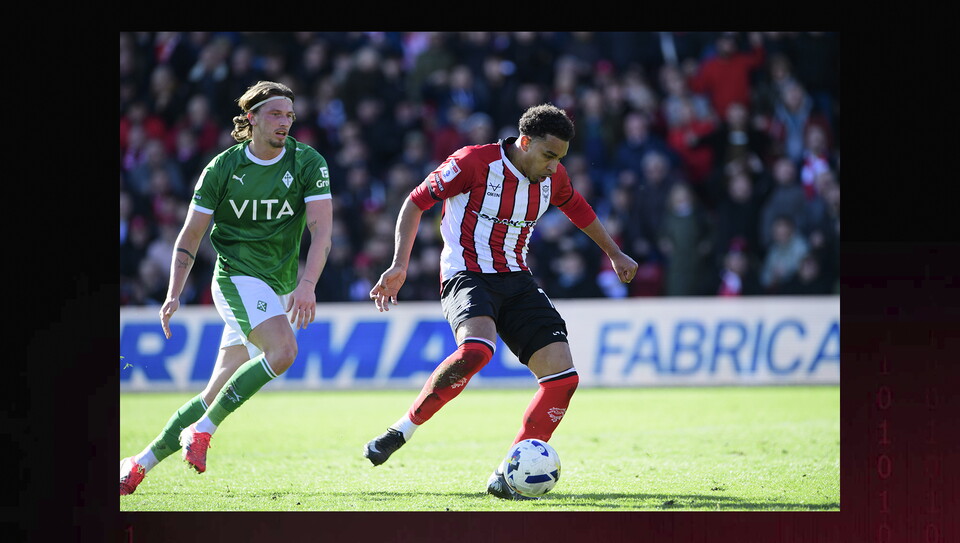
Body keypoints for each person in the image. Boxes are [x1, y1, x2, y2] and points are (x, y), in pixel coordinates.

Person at [362, 104, 638, 500]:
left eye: (560, 158)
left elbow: (577, 208)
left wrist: (614, 253)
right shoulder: (473, 163)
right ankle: (402, 429)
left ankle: (507, 474)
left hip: (517, 279)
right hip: (466, 273)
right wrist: (398, 266)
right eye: (548, 156)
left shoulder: (552, 176)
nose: (554, 166)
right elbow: (415, 202)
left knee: (564, 379)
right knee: (476, 350)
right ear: (524, 142)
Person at [120, 81, 334, 495]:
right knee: (284, 351)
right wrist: (173, 292)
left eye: (289, 115)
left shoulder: (308, 162)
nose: (285, 122)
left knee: (212, 391)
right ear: (251, 117)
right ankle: (203, 430)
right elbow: (190, 237)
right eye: (275, 114)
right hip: (235, 277)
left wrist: (307, 283)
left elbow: (322, 230)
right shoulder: (222, 168)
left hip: (280, 284)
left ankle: (139, 463)